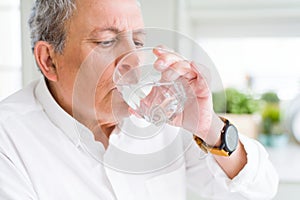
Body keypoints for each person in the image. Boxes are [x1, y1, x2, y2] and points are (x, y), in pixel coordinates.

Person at [0, 0, 278, 199]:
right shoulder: (8, 142)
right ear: (49, 60)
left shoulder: (166, 117)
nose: (134, 60)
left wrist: (209, 128)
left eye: (137, 40)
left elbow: (259, 191)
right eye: (106, 42)